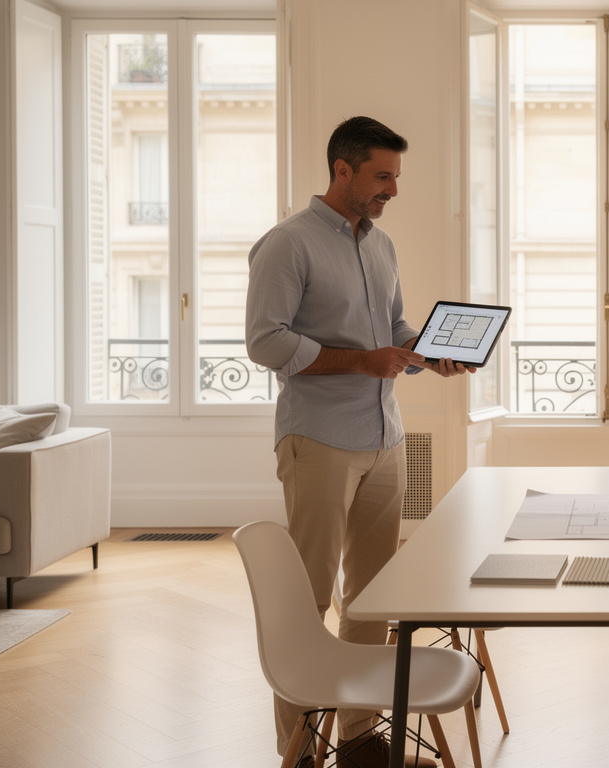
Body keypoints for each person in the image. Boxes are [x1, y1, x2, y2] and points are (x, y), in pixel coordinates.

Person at [245, 116, 473, 768]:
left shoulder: (381, 245)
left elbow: (392, 331)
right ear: (341, 169)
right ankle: (299, 751)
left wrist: (427, 356)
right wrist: (359, 362)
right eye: (381, 176)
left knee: (375, 596)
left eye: (396, 177)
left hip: (384, 438)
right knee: (309, 600)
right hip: (318, 439)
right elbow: (266, 341)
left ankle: (359, 737)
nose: (392, 190)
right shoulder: (288, 245)